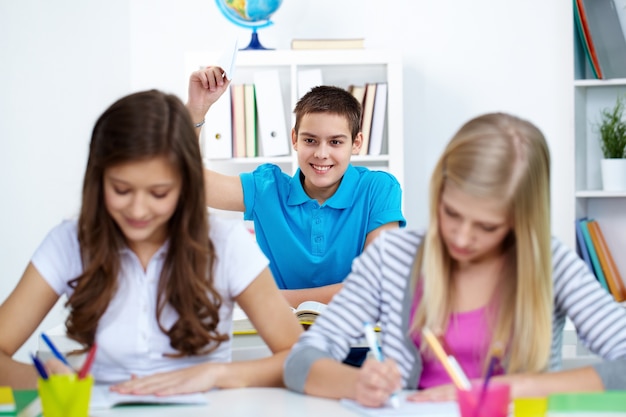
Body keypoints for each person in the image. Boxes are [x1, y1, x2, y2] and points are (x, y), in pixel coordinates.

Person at [283, 112, 626, 407]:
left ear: (521, 221)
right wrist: (356, 383)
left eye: (487, 227)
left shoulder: (548, 263)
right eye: (451, 213)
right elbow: (301, 361)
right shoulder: (393, 258)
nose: (461, 237)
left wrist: (510, 390)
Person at [0, 90, 303, 393]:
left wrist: (217, 374)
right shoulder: (70, 243)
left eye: (158, 193)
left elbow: (301, 360)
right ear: (98, 179)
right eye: (121, 190)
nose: (138, 210)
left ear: (186, 186)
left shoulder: (226, 244)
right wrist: (44, 381)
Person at [186, 67, 406, 307]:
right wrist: (197, 109)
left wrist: (270, 300)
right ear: (295, 139)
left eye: (335, 142)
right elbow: (192, 182)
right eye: (310, 140)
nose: (322, 154)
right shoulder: (267, 189)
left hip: (355, 334)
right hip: (281, 332)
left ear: (356, 143)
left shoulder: (379, 189)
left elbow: (373, 285)